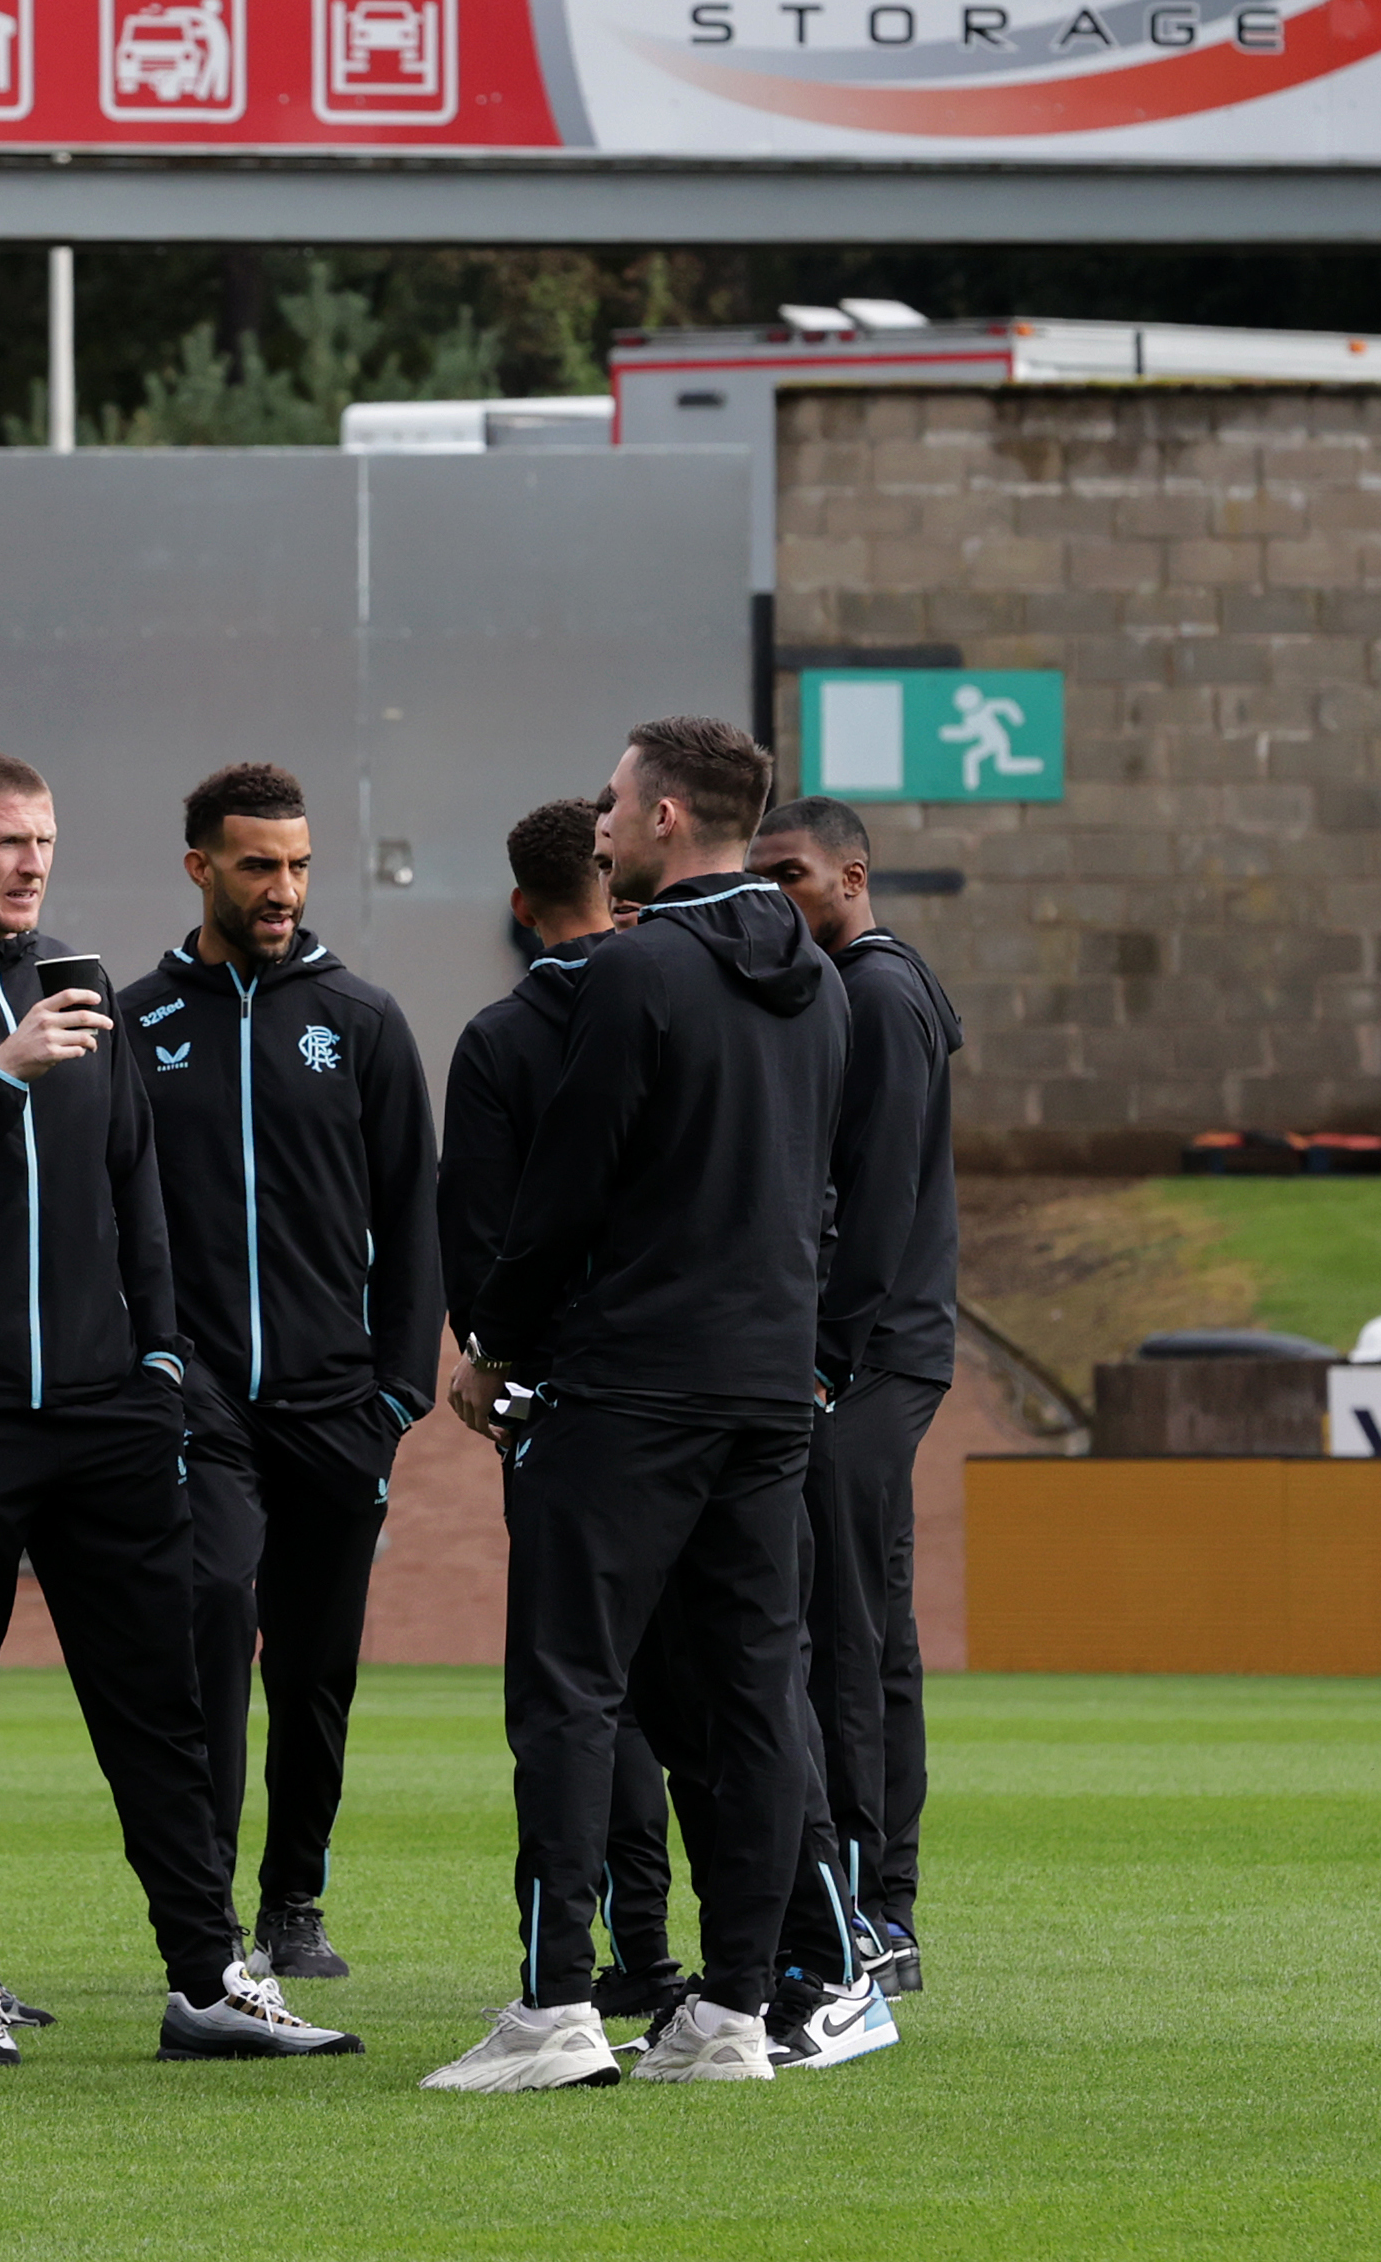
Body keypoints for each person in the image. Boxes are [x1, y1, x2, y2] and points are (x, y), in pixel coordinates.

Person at [0, 749, 358, 2069]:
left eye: (45, 839)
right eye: (5, 840)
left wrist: (161, 1358)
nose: (31, 862)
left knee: (161, 1704)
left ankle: (206, 1978)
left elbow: (136, 1192)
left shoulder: (83, 980)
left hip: (112, 1415)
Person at [427, 717, 859, 2096]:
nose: (601, 819)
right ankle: (731, 2012)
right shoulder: (827, 986)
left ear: (667, 815)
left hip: (627, 1385)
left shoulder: (631, 974)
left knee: (568, 1686)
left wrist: (498, 1336)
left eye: (616, 799)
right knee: (750, 1694)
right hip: (764, 1387)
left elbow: (568, 1190)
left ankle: (558, 2004)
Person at [117, 762, 438, 1984]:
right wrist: (150, 1366)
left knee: (315, 1665)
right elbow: (108, 1216)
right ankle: (201, 1912)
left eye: (298, 864)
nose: (283, 888)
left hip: (337, 1405)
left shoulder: (361, 1020)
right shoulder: (135, 1022)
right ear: (200, 866)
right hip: (195, 1402)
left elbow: (416, 1219)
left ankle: (292, 1898)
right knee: (210, 1618)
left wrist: (398, 1390)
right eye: (259, 863)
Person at [437, 796, 688, 2032]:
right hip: (707, 1395)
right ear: (616, 880)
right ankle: (776, 1964)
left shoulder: (503, 1039)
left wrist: (496, 1359)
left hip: (567, 1405)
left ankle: (582, 1966)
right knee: (719, 1685)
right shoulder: (691, 999)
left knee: (574, 1692)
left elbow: (479, 1240)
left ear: (522, 906)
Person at [748, 792, 963, 2013]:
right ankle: (888, 1901)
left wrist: (825, 1354)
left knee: (842, 1624)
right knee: (874, 1624)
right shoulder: (885, 985)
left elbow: (870, 1203)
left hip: (869, 1354)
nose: (778, 894)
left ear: (853, 874)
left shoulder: (874, 993)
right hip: (889, 1346)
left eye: (794, 874)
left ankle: (870, 1908)